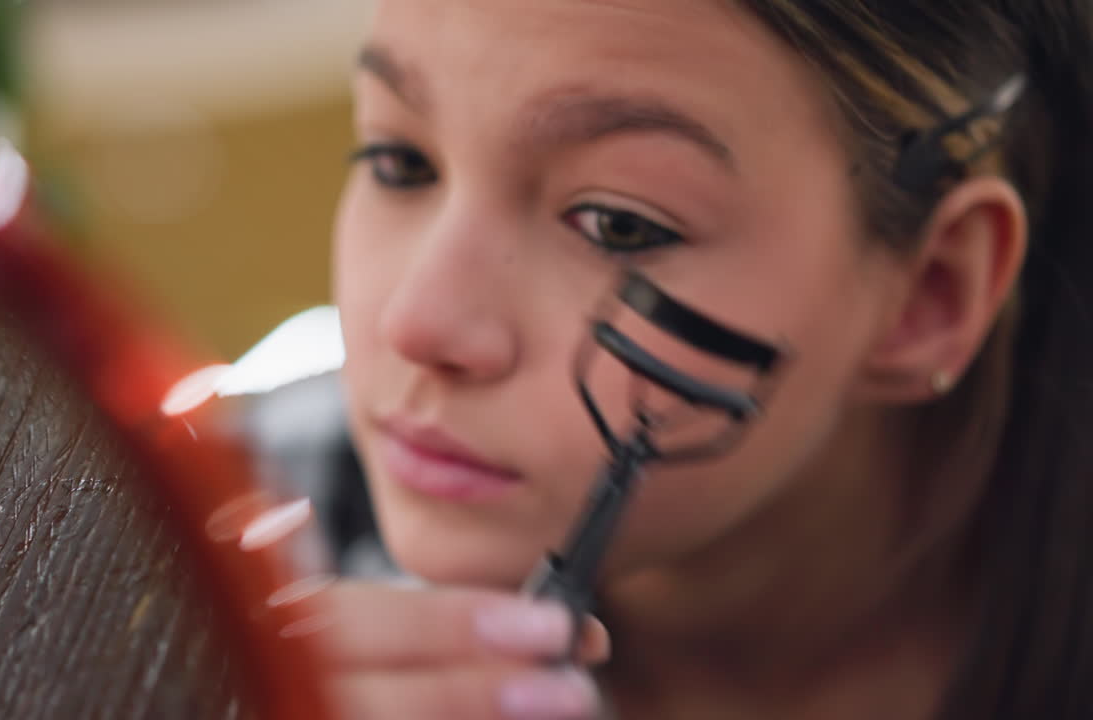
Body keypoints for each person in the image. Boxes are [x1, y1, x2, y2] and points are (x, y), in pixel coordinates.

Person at [313, 1, 1093, 718]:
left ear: (930, 295)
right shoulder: (230, 543)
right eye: (399, 163)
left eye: (617, 224)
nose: (412, 325)